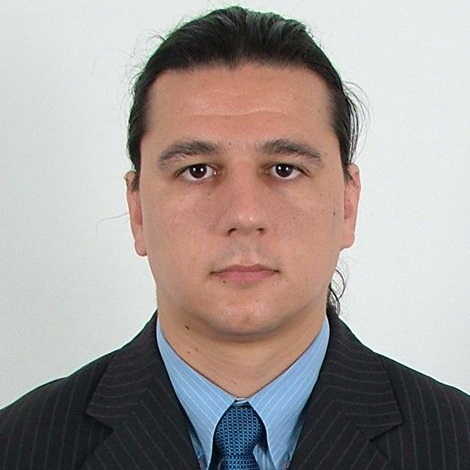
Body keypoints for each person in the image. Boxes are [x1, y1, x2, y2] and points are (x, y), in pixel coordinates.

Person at [1, 6, 468, 470]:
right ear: (138, 208)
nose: (244, 215)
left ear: (347, 204)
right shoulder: (19, 447)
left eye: (284, 169)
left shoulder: (456, 442)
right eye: (197, 170)